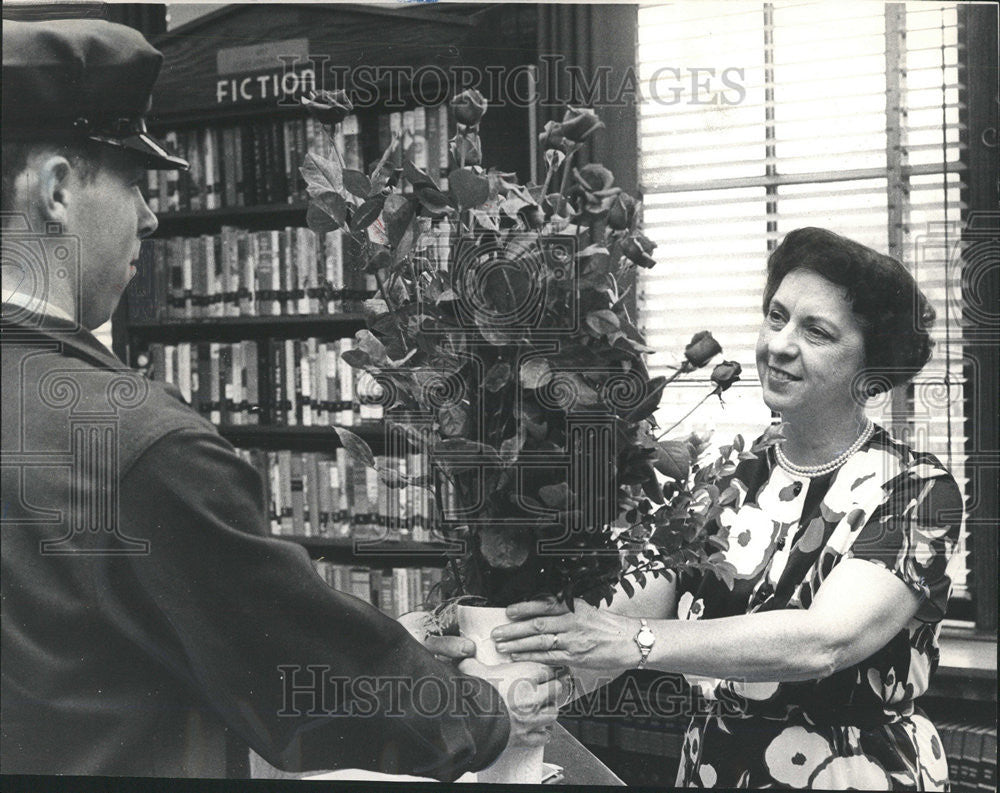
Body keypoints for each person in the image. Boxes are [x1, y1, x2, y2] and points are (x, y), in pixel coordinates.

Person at [1, 18, 563, 780]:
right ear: (59, 189)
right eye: (132, 179)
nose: (150, 214)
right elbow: (308, 688)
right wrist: (487, 712)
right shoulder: (140, 446)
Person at [490, 227, 963, 790]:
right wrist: (540, 662)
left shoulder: (918, 490)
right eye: (777, 316)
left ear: (872, 370)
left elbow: (824, 642)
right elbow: (652, 595)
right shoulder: (735, 472)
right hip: (716, 765)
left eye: (816, 331)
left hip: (852, 774)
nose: (780, 344)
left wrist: (631, 639)